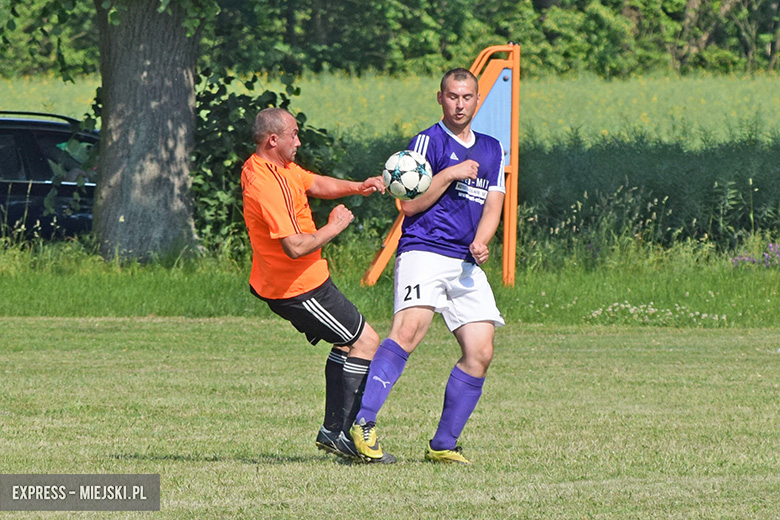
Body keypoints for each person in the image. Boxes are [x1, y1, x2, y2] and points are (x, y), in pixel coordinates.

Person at [349, 68, 505, 464]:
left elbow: (494, 204)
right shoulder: (427, 141)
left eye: (467, 97)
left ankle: (443, 444)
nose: (459, 104)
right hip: (424, 250)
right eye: (452, 96)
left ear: (476, 99)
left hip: (465, 262)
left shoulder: (491, 148)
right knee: (409, 332)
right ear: (440, 98)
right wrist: (449, 173)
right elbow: (409, 205)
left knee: (481, 351)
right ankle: (362, 424)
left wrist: (483, 240)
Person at [241, 107, 394, 463]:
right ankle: (346, 436)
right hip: (296, 287)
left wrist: (359, 187)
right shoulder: (264, 183)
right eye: (293, 134)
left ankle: (333, 432)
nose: (299, 140)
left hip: (304, 281)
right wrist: (336, 225)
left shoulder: (280, 168)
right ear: (273, 140)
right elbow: (294, 246)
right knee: (365, 341)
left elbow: (314, 183)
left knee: (346, 344)